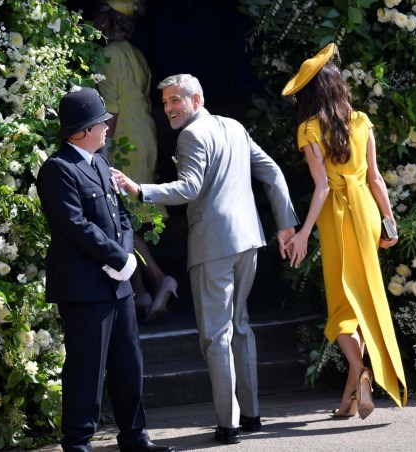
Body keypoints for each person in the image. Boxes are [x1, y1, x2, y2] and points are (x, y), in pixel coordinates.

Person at [112, 74, 299, 445]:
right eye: (164, 102)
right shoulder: (233, 126)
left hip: (214, 245)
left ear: (196, 99)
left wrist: (139, 190)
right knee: (240, 327)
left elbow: (189, 188)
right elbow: (273, 172)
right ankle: (251, 415)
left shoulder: (192, 134)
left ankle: (227, 425)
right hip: (248, 239)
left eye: (175, 101)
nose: (168, 109)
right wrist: (285, 225)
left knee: (216, 336)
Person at [36, 86, 174, 452]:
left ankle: (134, 437)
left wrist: (126, 259)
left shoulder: (98, 162)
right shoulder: (57, 169)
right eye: (100, 124)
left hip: (118, 284)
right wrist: (117, 259)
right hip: (84, 287)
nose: (106, 129)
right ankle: (78, 444)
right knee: (86, 370)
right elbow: (74, 225)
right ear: (81, 131)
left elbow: (121, 217)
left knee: (129, 364)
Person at [280, 43, 407, 419]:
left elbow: (321, 187)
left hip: (336, 216)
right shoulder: (361, 120)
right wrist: (389, 221)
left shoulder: (309, 128)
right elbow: (376, 178)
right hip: (366, 211)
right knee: (363, 298)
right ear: (337, 85)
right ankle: (348, 401)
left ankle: (364, 371)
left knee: (339, 308)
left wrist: (302, 233)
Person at [91, 0, 177, 322]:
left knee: (122, 218)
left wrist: (103, 148)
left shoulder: (109, 55)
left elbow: (110, 107)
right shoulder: (136, 54)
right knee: (129, 218)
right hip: (144, 137)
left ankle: (158, 278)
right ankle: (140, 295)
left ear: (106, 19)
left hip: (124, 138)